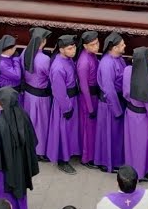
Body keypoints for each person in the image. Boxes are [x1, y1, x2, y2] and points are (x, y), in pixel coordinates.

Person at [121, 46, 148, 180]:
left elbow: (125, 92)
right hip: (142, 117)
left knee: (131, 143)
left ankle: (130, 169)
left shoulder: (127, 70)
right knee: (141, 147)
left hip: (129, 111)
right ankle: (140, 174)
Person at [48, 34, 82, 174]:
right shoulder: (57, 67)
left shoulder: (68, 60)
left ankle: (70, 153)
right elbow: (59, 92)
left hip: (72, 98)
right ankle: (63, 160)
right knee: (63, 130)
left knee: (70, 130)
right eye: (69, 48)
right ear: (61, 50)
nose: (73, 50)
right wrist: (67, 108)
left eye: (74, 47)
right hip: (65, 102)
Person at [93, 32, 127, 172]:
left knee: (116, 135)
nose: (125, 46)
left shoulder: (118, 58)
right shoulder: (107, 64)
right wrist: (117, 109)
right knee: (109, 135)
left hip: (118, 100)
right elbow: (109, 89)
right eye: (122, 44)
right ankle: (108, 163)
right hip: (110, 104)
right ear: (114, 48)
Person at [21, 27, 53, 160]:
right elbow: (51, 76)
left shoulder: (24, 52)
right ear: (43, 41)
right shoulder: (44, 59)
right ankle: (39, 151)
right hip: (40, 97)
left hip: (28, 94)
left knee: (29, 122)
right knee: (41, 124)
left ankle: (27, 148)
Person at [75, 31, 100, 168]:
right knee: (87, 129)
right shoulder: (84, 62)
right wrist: (90, 107)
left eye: (97, 43)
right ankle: (86, 158)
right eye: (93, 44)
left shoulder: (92, 55)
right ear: (85, 46)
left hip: (93, 96)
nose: (96, 46)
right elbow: (84, 86)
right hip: (87, 98)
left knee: (91, 129)